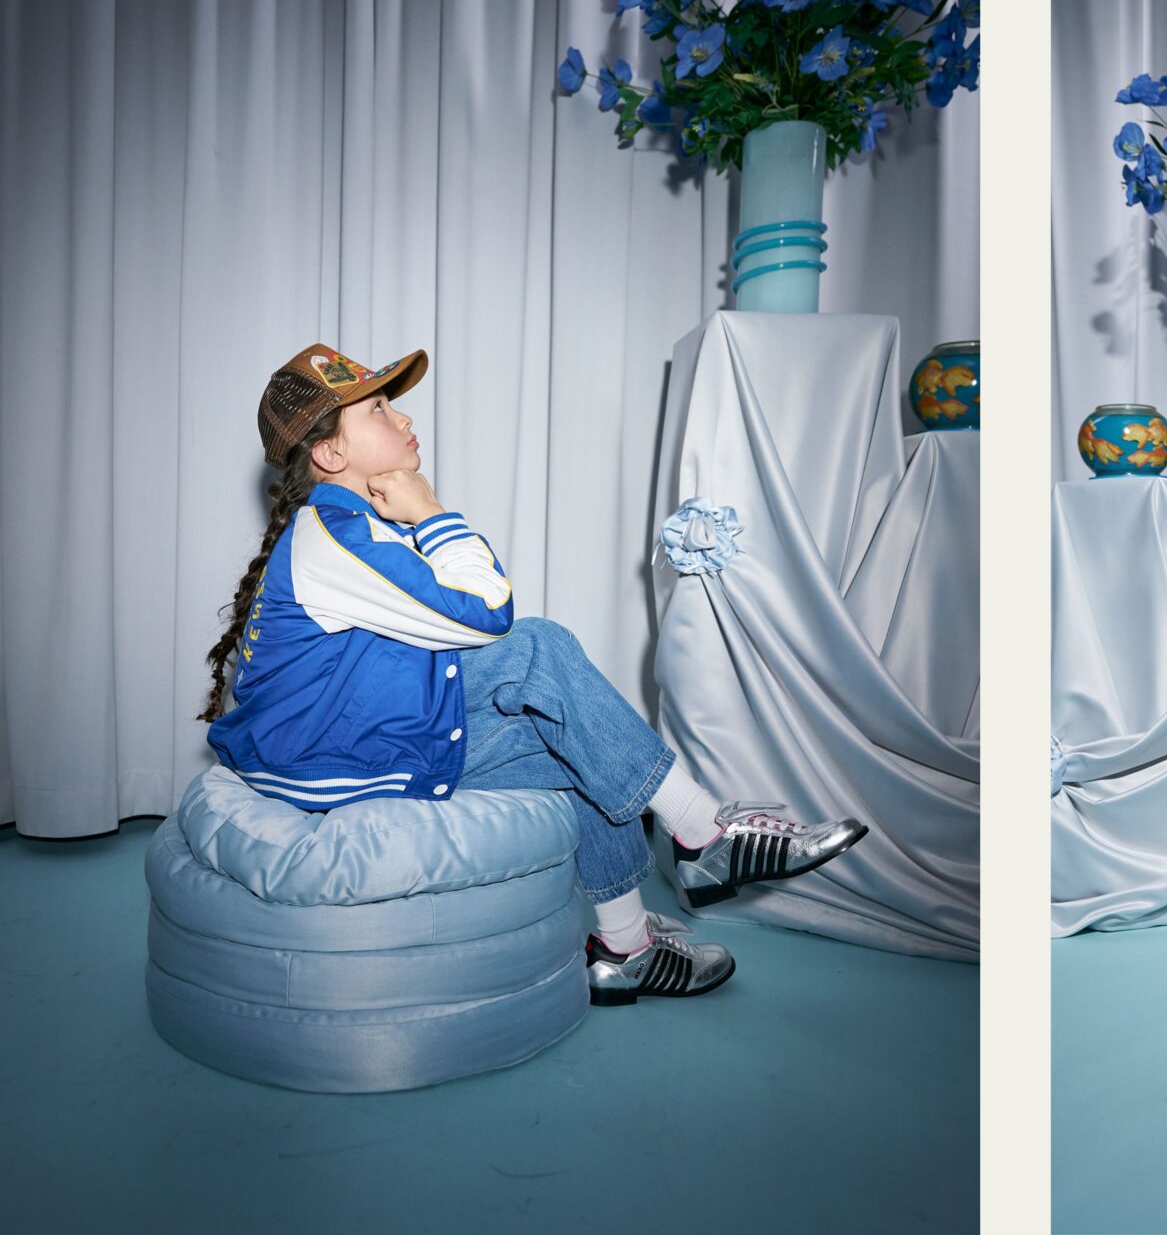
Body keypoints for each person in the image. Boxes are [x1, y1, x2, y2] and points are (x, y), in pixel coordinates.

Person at [199, 343, 868, 1005]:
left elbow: (450, 619)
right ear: (331, 454)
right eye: (378, 410)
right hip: (318, 759)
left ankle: (625, 948)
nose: (404, 421)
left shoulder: (356, 527)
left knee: (569, 738)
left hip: (345, 731)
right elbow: (486, 611)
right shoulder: (333, 534)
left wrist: (419, 515)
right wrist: (430, 508)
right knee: (536, 645)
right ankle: (704, 832)